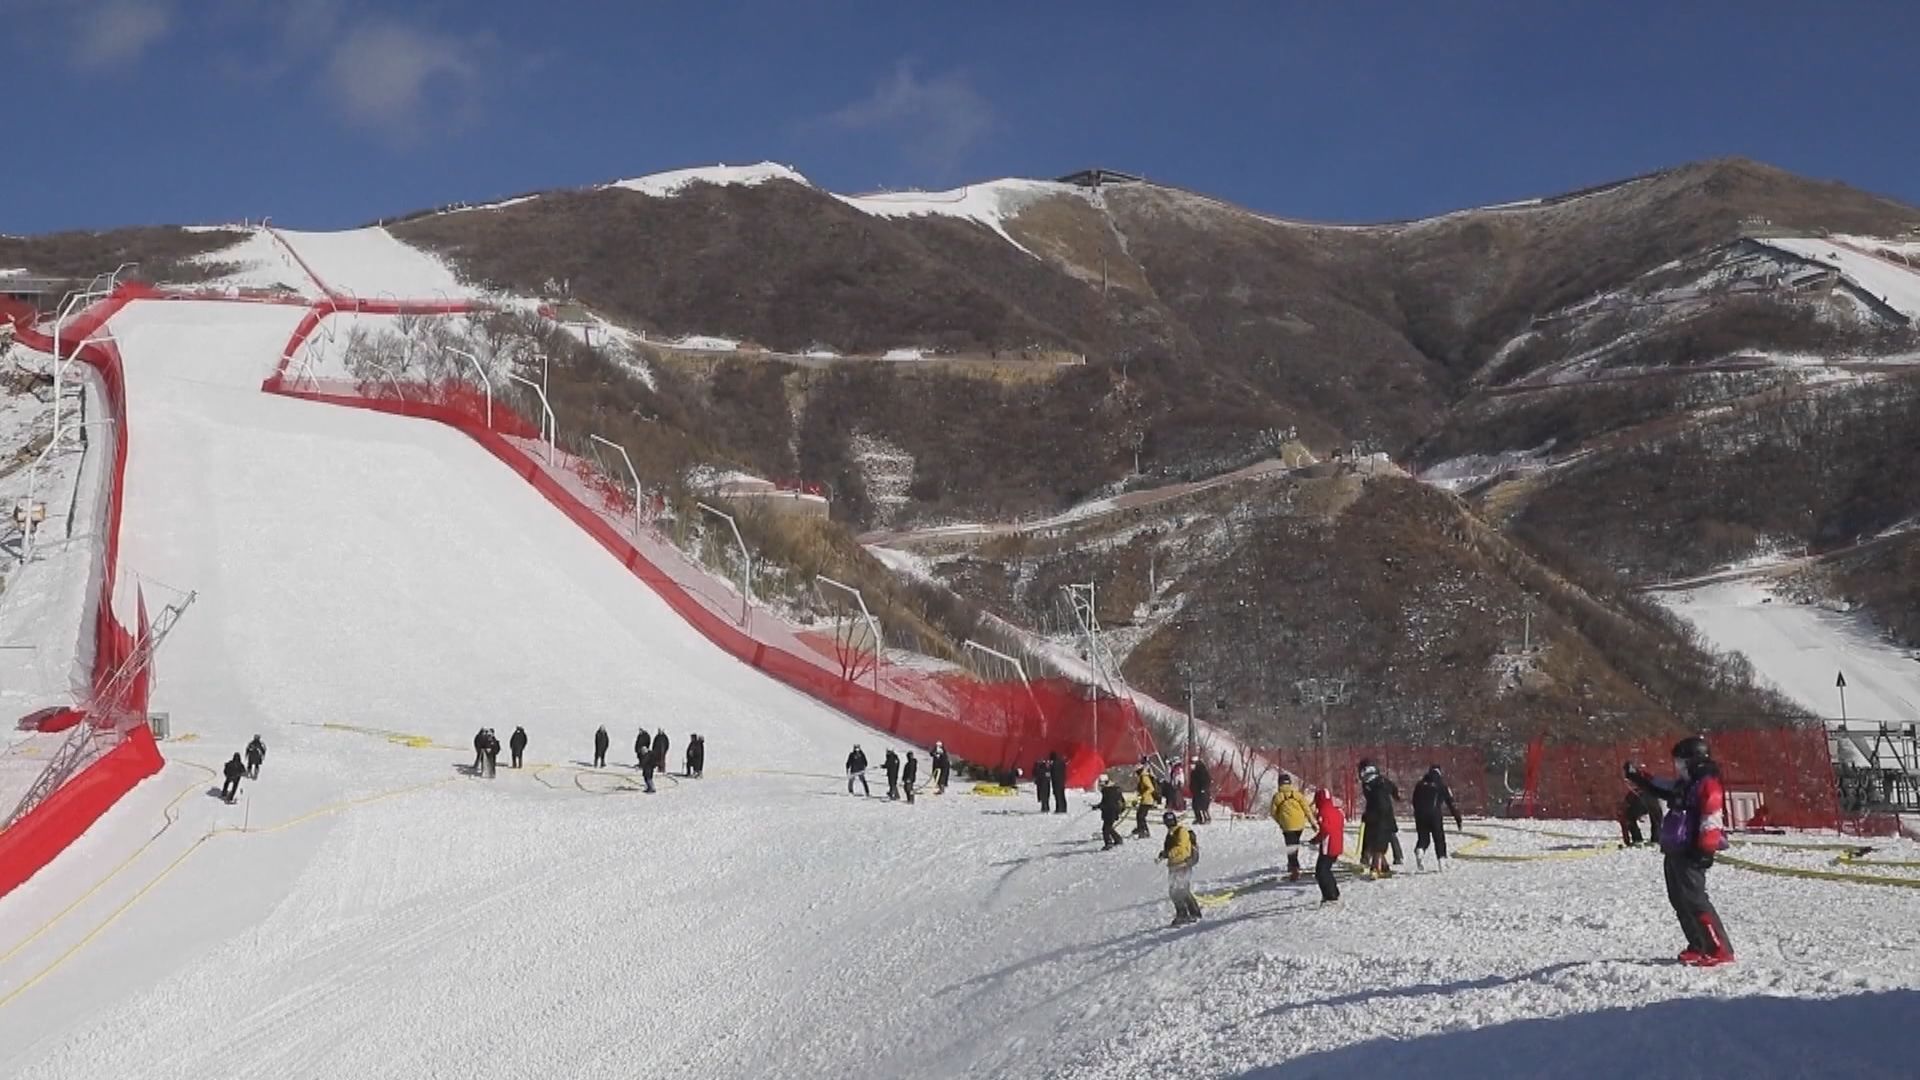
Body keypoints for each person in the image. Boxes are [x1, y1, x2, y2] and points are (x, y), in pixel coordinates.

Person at [1627, 736, 1734, 966]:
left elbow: (1711, 818)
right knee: (1679, 899)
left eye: (1681, 762)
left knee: (1695, 900)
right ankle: (1698, 944)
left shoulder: (1706, 784)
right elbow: (1660, 786)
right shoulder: (1686, 784)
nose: (1678, 767)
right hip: (1674, 848)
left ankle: (1719, 948)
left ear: (1694, 761)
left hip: (1691, 850)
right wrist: (1637, 775)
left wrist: (1705, 849)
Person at [1411, 766, 1463, 871]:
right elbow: (1451, 804)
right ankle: (1441, 862)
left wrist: (1418, 812)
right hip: (1434, 815)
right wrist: (1458, 819)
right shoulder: (1442, 786)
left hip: (1420, 815)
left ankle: (1420, 850)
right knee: (1439, 838)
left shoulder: (1420, 784)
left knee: (1423, 837)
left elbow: (1414, 800)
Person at [1156, 810, 1203, 926]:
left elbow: (1181, 848)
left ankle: (1187, 914)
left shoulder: (1181, 831)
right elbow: (1171, 848)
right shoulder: (1171, 833)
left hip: (1183, 864)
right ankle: (1190, 913)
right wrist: (1164, 854)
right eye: (1167, 821)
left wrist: (1168, 853)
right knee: (1178, 891)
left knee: (1179, 890)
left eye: (1170, 821)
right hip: (1174, 866)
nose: (1168, 824)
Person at [1269, 772, 1312, 881]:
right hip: (1300, 824)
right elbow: (1307, 808)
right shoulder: (1297, 794)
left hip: (1288, 826)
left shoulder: (1277, 796)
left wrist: (1280, 821)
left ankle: (1294, 868)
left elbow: (1273, 812)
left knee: (1290, 846)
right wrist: (1312, 822)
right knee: (1295, 844)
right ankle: (1293, 865)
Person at [1358, 760, 1398, 877]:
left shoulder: (1379, 784)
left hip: (1383, 818)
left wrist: (1370, 815)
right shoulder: (1369, 784)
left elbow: (1382, 805)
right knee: (1371, 840)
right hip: (1374, 816)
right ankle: (1384, 866)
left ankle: (1375, 867)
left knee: (1379, 844)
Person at [1309, 787, 1344, 904]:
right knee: (1326, 870)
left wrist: (1316, 840)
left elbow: (1325, 830)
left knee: (1321, 872)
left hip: (1328, 847)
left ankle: (1330, 896)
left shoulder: (1323, 813)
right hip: (1337, 845)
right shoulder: (1337, 811)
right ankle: (1334, 892)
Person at [1097, 776, 1126, 850]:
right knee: (1109, 827)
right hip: (1114, 812)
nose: (1100, 786)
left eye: (1101, 784)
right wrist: (1098, 806)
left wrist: (1101, 806)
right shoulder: (1115, 789)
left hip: (1110, 812)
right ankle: (1118, 839)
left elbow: (1108, 803)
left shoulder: (1108, 791)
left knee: (1105, 829)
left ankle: (1108, 843)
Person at [1133, 762, 1159, 838]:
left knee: (1141, 816)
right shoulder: (1142, 776)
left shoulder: (1144, 777)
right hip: (1145, 799)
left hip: (1147, 800)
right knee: (1139, 815)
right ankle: (1141, 829)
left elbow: (1151, 788)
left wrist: (1143, 794)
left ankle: (1144, 831)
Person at [1190, 758, 1213, 824]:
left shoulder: (1202, 770)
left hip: (1202, 792)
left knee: (1204, 807)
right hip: (1196, 792)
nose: (1191, 765)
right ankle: (1198, 818)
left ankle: (1207, 818)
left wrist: (1203, 789)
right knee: (1195, 806)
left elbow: (1206, 780)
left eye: (1193, 763)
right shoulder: (1194, 771)